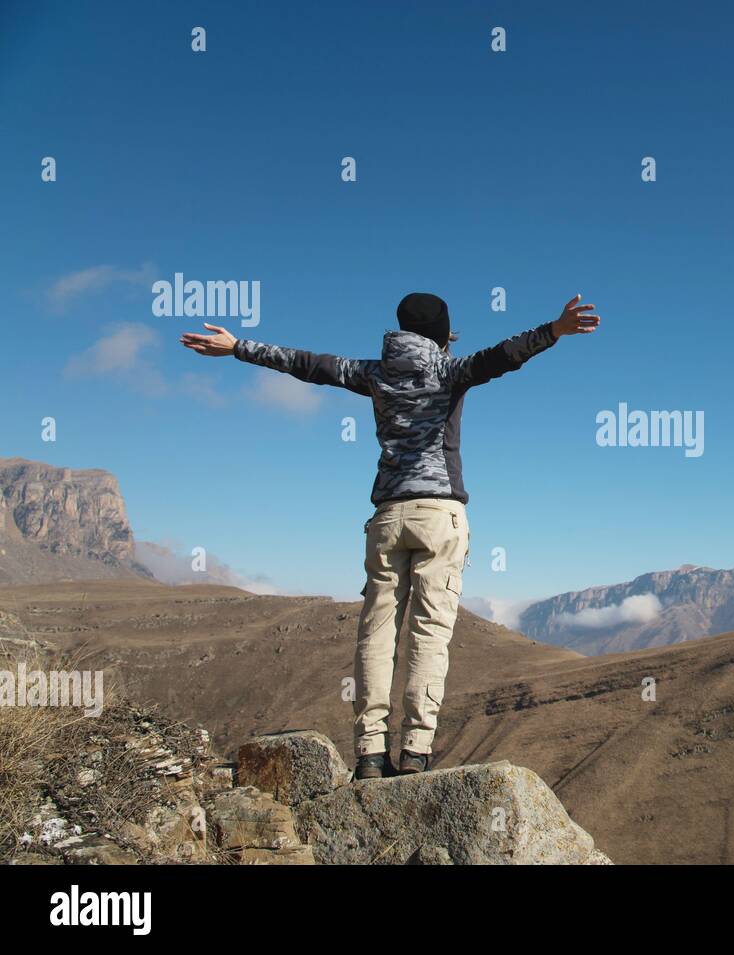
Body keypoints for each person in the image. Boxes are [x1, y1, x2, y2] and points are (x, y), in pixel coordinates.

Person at [180, 292, 600, 778]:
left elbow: (308, 365)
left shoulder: (374, 374)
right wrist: (554, 329)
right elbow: (503, 357)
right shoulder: (449, 371)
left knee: (376, 633)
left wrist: (238, 347)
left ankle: (370, 755)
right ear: (443, 332)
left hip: (386, 518)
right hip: (438, 515)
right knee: (430, 632)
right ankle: (416, 752)